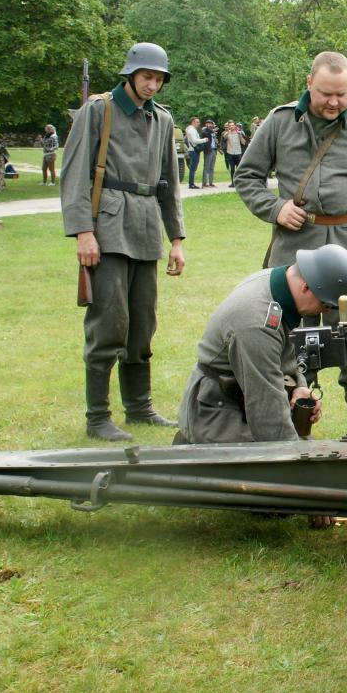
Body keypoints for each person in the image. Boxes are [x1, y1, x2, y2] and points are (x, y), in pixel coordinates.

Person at [59, 42, 186, 442]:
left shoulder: (162, 120)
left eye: (158, 79)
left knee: (142, 324)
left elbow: (170, 182)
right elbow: (75, 173)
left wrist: (177, 239)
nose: (152, 85)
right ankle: (97, 416)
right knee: (108, 323)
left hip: (146, 227)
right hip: (107, 229)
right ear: (130, 75)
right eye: (146, 77)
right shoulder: (98, 110)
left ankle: (139, 407)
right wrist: (83, 231)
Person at [235, 50, 347, 310]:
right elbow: (246, 176)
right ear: (309, 83)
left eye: (342, 94)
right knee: (292, 343)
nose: (334, 102)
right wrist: (276, 209)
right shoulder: (280, 121)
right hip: (294, 252)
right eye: (326, 94)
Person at [174, 244, 347, 444]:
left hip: (240, 396)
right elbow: (266, 409)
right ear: (306, 287)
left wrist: (299, 386)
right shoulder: (256, 323)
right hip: (216, 412)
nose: (324, 312)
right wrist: (294, 458)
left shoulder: (277, 285)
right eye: (325, 304)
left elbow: (281, 350)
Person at [183, 117, 202, 189]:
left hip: (192, 150)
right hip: (193, 150)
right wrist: (204, 140)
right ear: (193, 122)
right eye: (197, 122)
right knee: (193, 168)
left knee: (192, 168)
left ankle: (191, 183)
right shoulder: (191, 130)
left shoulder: (189, 129)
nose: (198, 124)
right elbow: (195, 141)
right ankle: (191, 184)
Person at [200, 119, 218, 187]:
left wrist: (216, 141)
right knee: (206, 167)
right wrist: (212, 130)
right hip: (208, 150)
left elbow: (213, 139)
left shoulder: (212, 131)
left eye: (211, 124)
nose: (210, 125)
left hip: (214, 150)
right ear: (206, 124)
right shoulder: (205, 130)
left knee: (212, 167)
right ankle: (204, 182)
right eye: (208, 123)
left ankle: (211, 182)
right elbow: (205, 134)